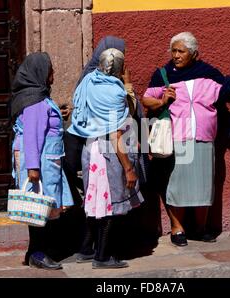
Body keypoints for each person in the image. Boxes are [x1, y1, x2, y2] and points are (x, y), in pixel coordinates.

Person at [142, 32, 230, 246]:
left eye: (181, 51)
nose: (175, 55)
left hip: (203, 139)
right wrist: (163, 99)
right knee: (177, 185)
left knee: (203, 186)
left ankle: (200, 229)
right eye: (173, 50)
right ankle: (177, 228)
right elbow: (147, 99)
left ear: (194, 54)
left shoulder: (208, 74)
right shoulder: (163, 74)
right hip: (177, 139)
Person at [68, 48, 144, 269]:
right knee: (110, 206)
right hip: (109, 155)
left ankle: (85, 249)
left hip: (89, 150)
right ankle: (102, 256)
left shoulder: (88, 82)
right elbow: (115, 136)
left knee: (94, 202)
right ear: (120, 68)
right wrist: (129, 168)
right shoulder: (115, 94)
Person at [10, 52, 74, 269]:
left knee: (39, 206)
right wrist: (33, 169)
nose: (53, 74)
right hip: (40, 161)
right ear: (40, 72)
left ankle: (34, 252)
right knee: (38, 206)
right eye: (50, 70)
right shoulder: (35, 101)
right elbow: (32, 135)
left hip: (46, 158)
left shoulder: (37, 97)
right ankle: (38, 253)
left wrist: (58, 115)